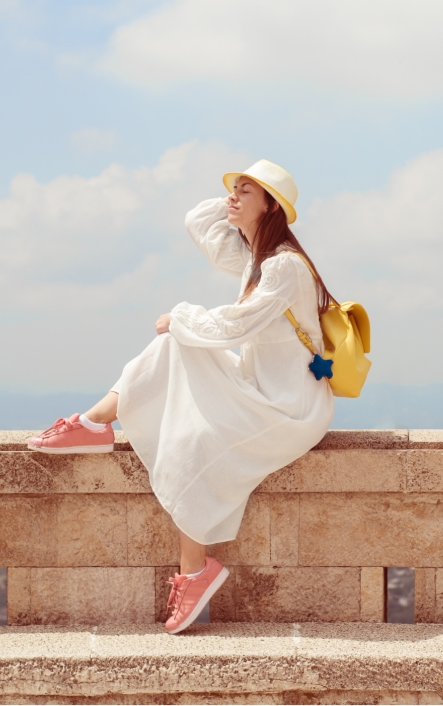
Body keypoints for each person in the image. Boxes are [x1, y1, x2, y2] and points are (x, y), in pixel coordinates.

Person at [26, 160, 335, 635]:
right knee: (173, 350)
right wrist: (241, 199)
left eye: (246, 191)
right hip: (258, 390)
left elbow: (237, 325)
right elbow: (198, 221)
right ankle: (95, 423)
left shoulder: (284, 266)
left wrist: (182, 317)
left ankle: (194, 570)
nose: (232, 196)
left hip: (289, 407)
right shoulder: (256, 259)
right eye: (233, 189)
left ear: (271, 206)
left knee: (191, 438)